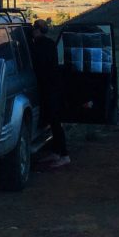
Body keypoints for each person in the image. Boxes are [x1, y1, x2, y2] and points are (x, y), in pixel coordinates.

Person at [31, 18, 70, 168]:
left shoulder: (40, 46)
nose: (33, 32)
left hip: (50, 88)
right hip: (53, 87)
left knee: (55, 121)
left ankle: (64, 155)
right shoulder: (49, 44)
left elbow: (39, 66)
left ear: (38, 30)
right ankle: (56, 152)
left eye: (34, 29)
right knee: (53, 121)